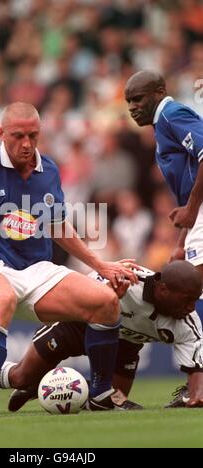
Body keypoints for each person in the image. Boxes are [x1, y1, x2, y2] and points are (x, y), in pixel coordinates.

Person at [0, 102, 138, 419]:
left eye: (33, 135)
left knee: (105, 302)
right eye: (18, 136)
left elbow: (58, 226)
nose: (26, 144)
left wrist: (101, 266)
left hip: (35, 270)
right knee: (2, 297)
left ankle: (101, 393)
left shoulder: (48, 170)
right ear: (1, 133)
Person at [0, 260, 203, 416]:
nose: (191, 307)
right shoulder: (128, 279)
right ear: (163, 289)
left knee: (107, 404)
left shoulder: (187, 324)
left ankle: (46, 387)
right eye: (187, 299)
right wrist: (106, 293)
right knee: (20, 377)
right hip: (75, 325)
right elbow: (86, 288)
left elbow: (196, 375)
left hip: (124, 345)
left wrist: (194, 396)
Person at [125, 70, 203, 320]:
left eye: (138, 99)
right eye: (129, 102)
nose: (132, 107)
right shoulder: (162, 125)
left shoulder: (171, 114)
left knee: (191, 287)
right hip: (198, 213)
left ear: (159, 93)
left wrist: (191, 209)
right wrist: (181, 241)